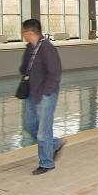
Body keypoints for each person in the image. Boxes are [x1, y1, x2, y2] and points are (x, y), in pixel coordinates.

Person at [19, 19, 65, 175]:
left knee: (43, 131)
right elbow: (23, 69)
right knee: (29, 126)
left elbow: (55, 73)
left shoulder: (47, 48)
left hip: (45, 95)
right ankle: (55, 143)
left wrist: (46, 92)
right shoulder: (29, 48)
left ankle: (46, 163)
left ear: (30, 32)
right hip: (31, 93)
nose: (23, 34)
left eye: (23, 31)